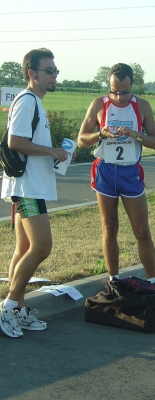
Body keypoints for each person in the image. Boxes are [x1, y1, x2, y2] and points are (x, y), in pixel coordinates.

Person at [0, 48, 69, 338]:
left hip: (31, 187)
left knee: (23, 249)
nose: (55, 75)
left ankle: (17, 309)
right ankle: (8, 307)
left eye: (56, 70)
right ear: (32, 74)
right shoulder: (27, 101)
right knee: (41, 247)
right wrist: (51, 150)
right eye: (49, 71)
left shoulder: (35, 103)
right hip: (27, 190)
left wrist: (54, 155)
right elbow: (15, 141)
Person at [77, 63, 155, 283]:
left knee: (142, 231)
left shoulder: (142, 106)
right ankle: (113, 280)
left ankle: (153, 283)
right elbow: (81, 140)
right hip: (105, 171)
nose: (120, 97)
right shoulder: (99, 104)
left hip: (130, 172)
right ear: (109, 85)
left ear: (132, 85)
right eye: (115, 91)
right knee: (109, 227)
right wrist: (100, 135)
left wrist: (136, 134)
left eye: (124, 92)